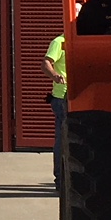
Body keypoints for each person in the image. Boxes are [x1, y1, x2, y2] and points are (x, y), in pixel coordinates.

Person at [44, 30, 68, 190]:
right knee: (63, 139)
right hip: (61, 97)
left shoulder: (85, 39)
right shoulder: (60, 42)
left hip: (78, 94)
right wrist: (55, 76)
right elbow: (46, 62)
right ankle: (60, 180)